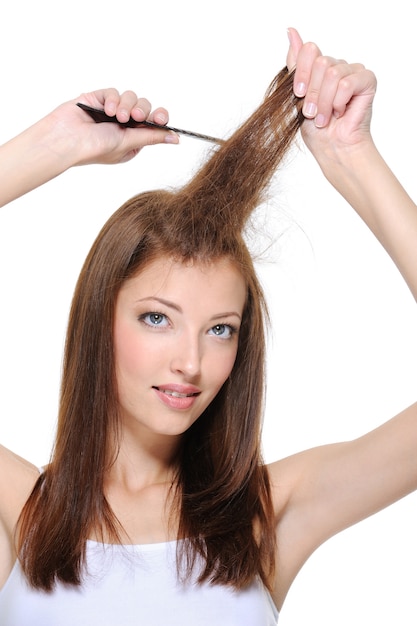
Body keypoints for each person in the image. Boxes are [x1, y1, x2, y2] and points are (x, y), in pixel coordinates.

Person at [0, 27, 416, 625]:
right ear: (99, 320)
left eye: (220, 329)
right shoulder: (19, 510)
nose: (190, 362)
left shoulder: (268, 517)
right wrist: (53, 146)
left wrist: (354, 159)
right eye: (156, 319)